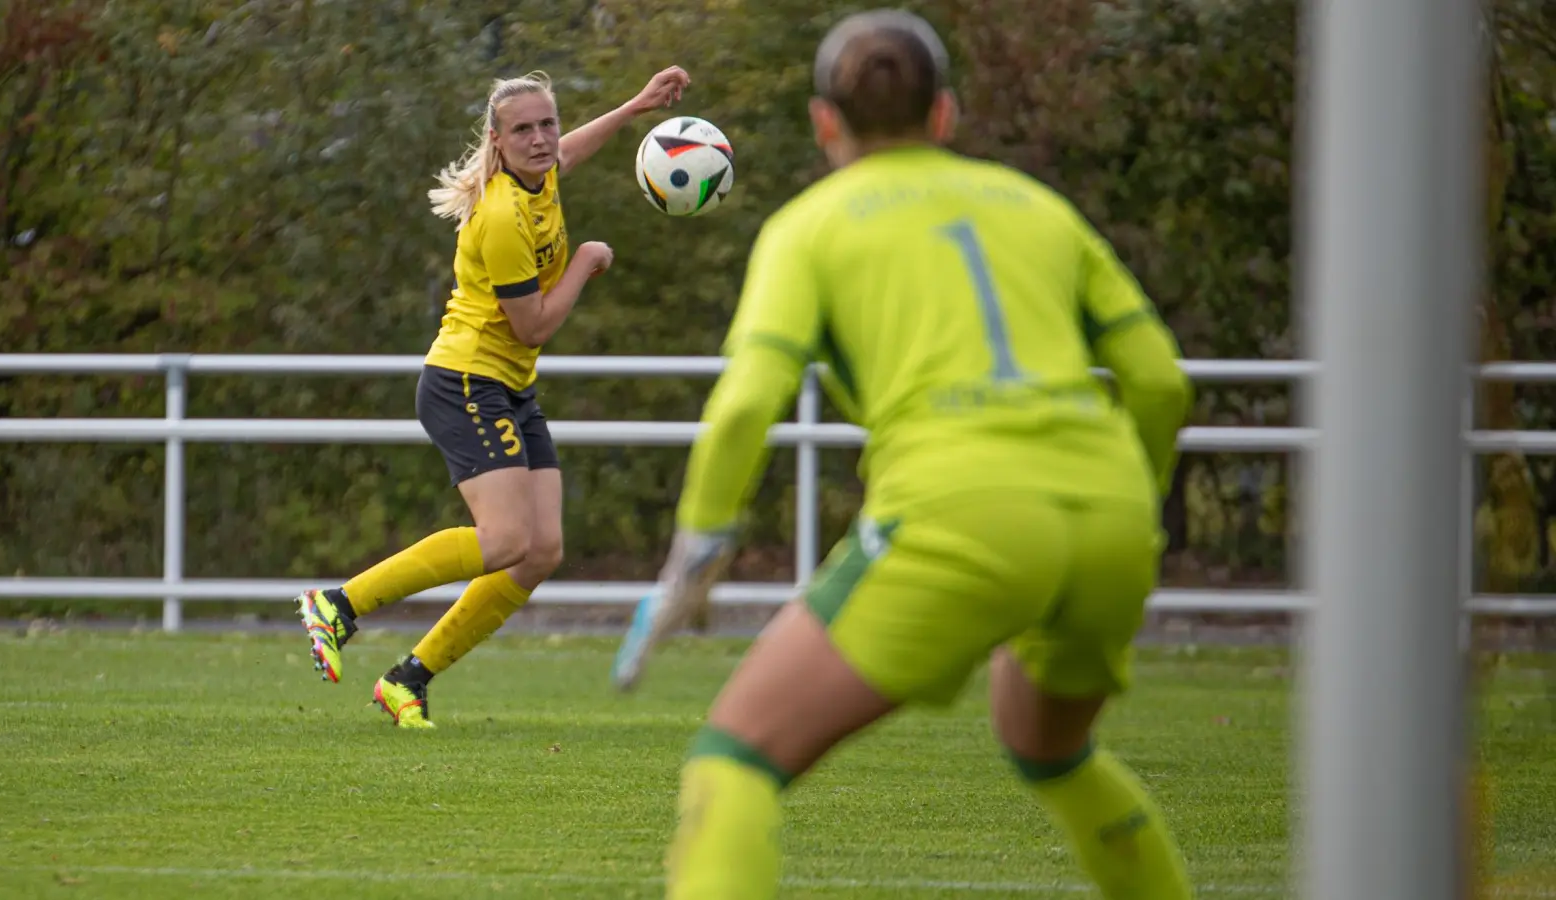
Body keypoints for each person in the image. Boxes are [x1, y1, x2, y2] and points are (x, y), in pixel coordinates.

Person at [610, 10, 1196, 899]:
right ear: (945, 114)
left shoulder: (810, 227)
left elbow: (745, 407)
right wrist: (1127, 508)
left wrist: (694, 557)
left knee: (732, 762)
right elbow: (1159, 382)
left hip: (958, 515)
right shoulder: (1036, 207)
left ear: (824, 123)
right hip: (1111, 511)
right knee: (1053, 751)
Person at [294, 64, 692, 729]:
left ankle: (408, 679)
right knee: (505, 538)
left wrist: (637, 106)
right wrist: (585, 261)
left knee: (541, 552)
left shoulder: (541, 172)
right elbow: (532, 324)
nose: (541, 139)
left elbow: (571, 152)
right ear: (496, 140)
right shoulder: (504, 214)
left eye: (548, 124)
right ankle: (339, 603)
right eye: (524, 130)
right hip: (467, 382)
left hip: (511, 387)